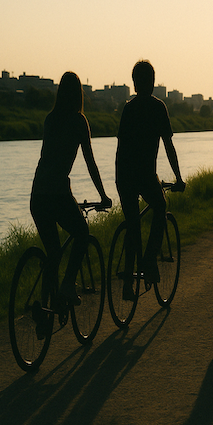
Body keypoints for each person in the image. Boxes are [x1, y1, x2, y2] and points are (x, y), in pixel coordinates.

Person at [30, 71, 112, 309]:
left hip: (37, 194)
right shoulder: (78, 121)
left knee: (54, 252)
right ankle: (67, 285)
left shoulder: (50, 119)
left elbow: (48, 158)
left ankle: (46, 310)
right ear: (79, 95)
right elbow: (90, 162)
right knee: (82, 233)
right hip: (57, 193)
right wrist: (103, 195)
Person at [116, 60, 185, 300]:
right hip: (145, 174)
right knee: (161, 206)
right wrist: (178, 177)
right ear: (153, 82)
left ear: (134, 83)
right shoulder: (158, 107)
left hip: (123, 174)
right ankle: (149, 260)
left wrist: (120, 178)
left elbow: (120, 147)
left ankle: (127, 284)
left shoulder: (128, 108)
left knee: (132, 225)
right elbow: (168, 146)